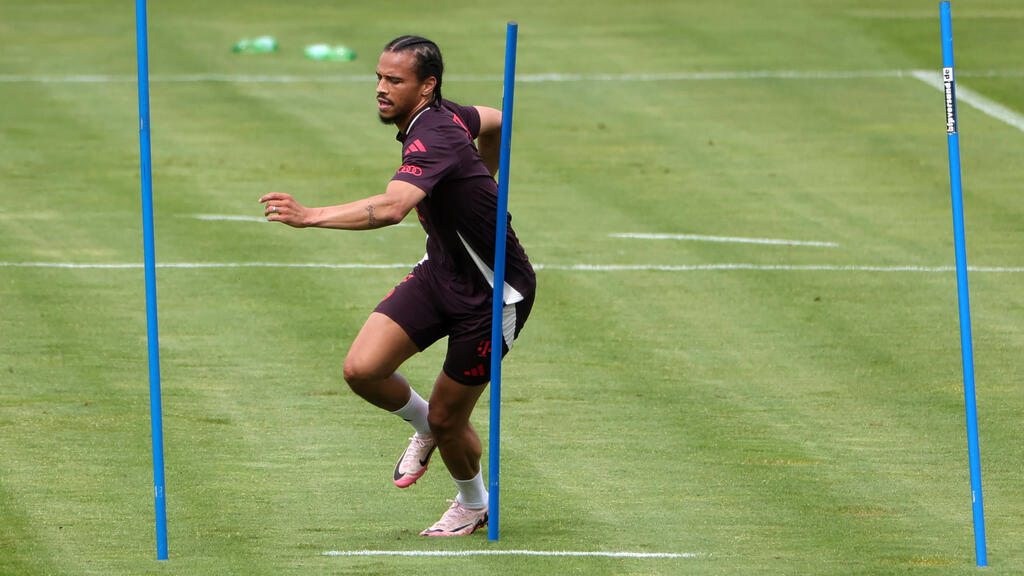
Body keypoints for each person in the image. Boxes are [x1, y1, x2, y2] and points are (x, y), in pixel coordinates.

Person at [258, 35, 535, 537]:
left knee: (454, 421)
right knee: (363, 369)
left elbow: (391, 208)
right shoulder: (446, 115)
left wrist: (309, 216)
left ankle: (474, 504)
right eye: (379, 78)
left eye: (395, 80)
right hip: (441, 270)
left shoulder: (437, 135)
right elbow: (495, 116)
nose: (381, 89)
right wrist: (485, 171)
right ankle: (423, 423)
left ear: (426, 86)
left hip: (494, 295)